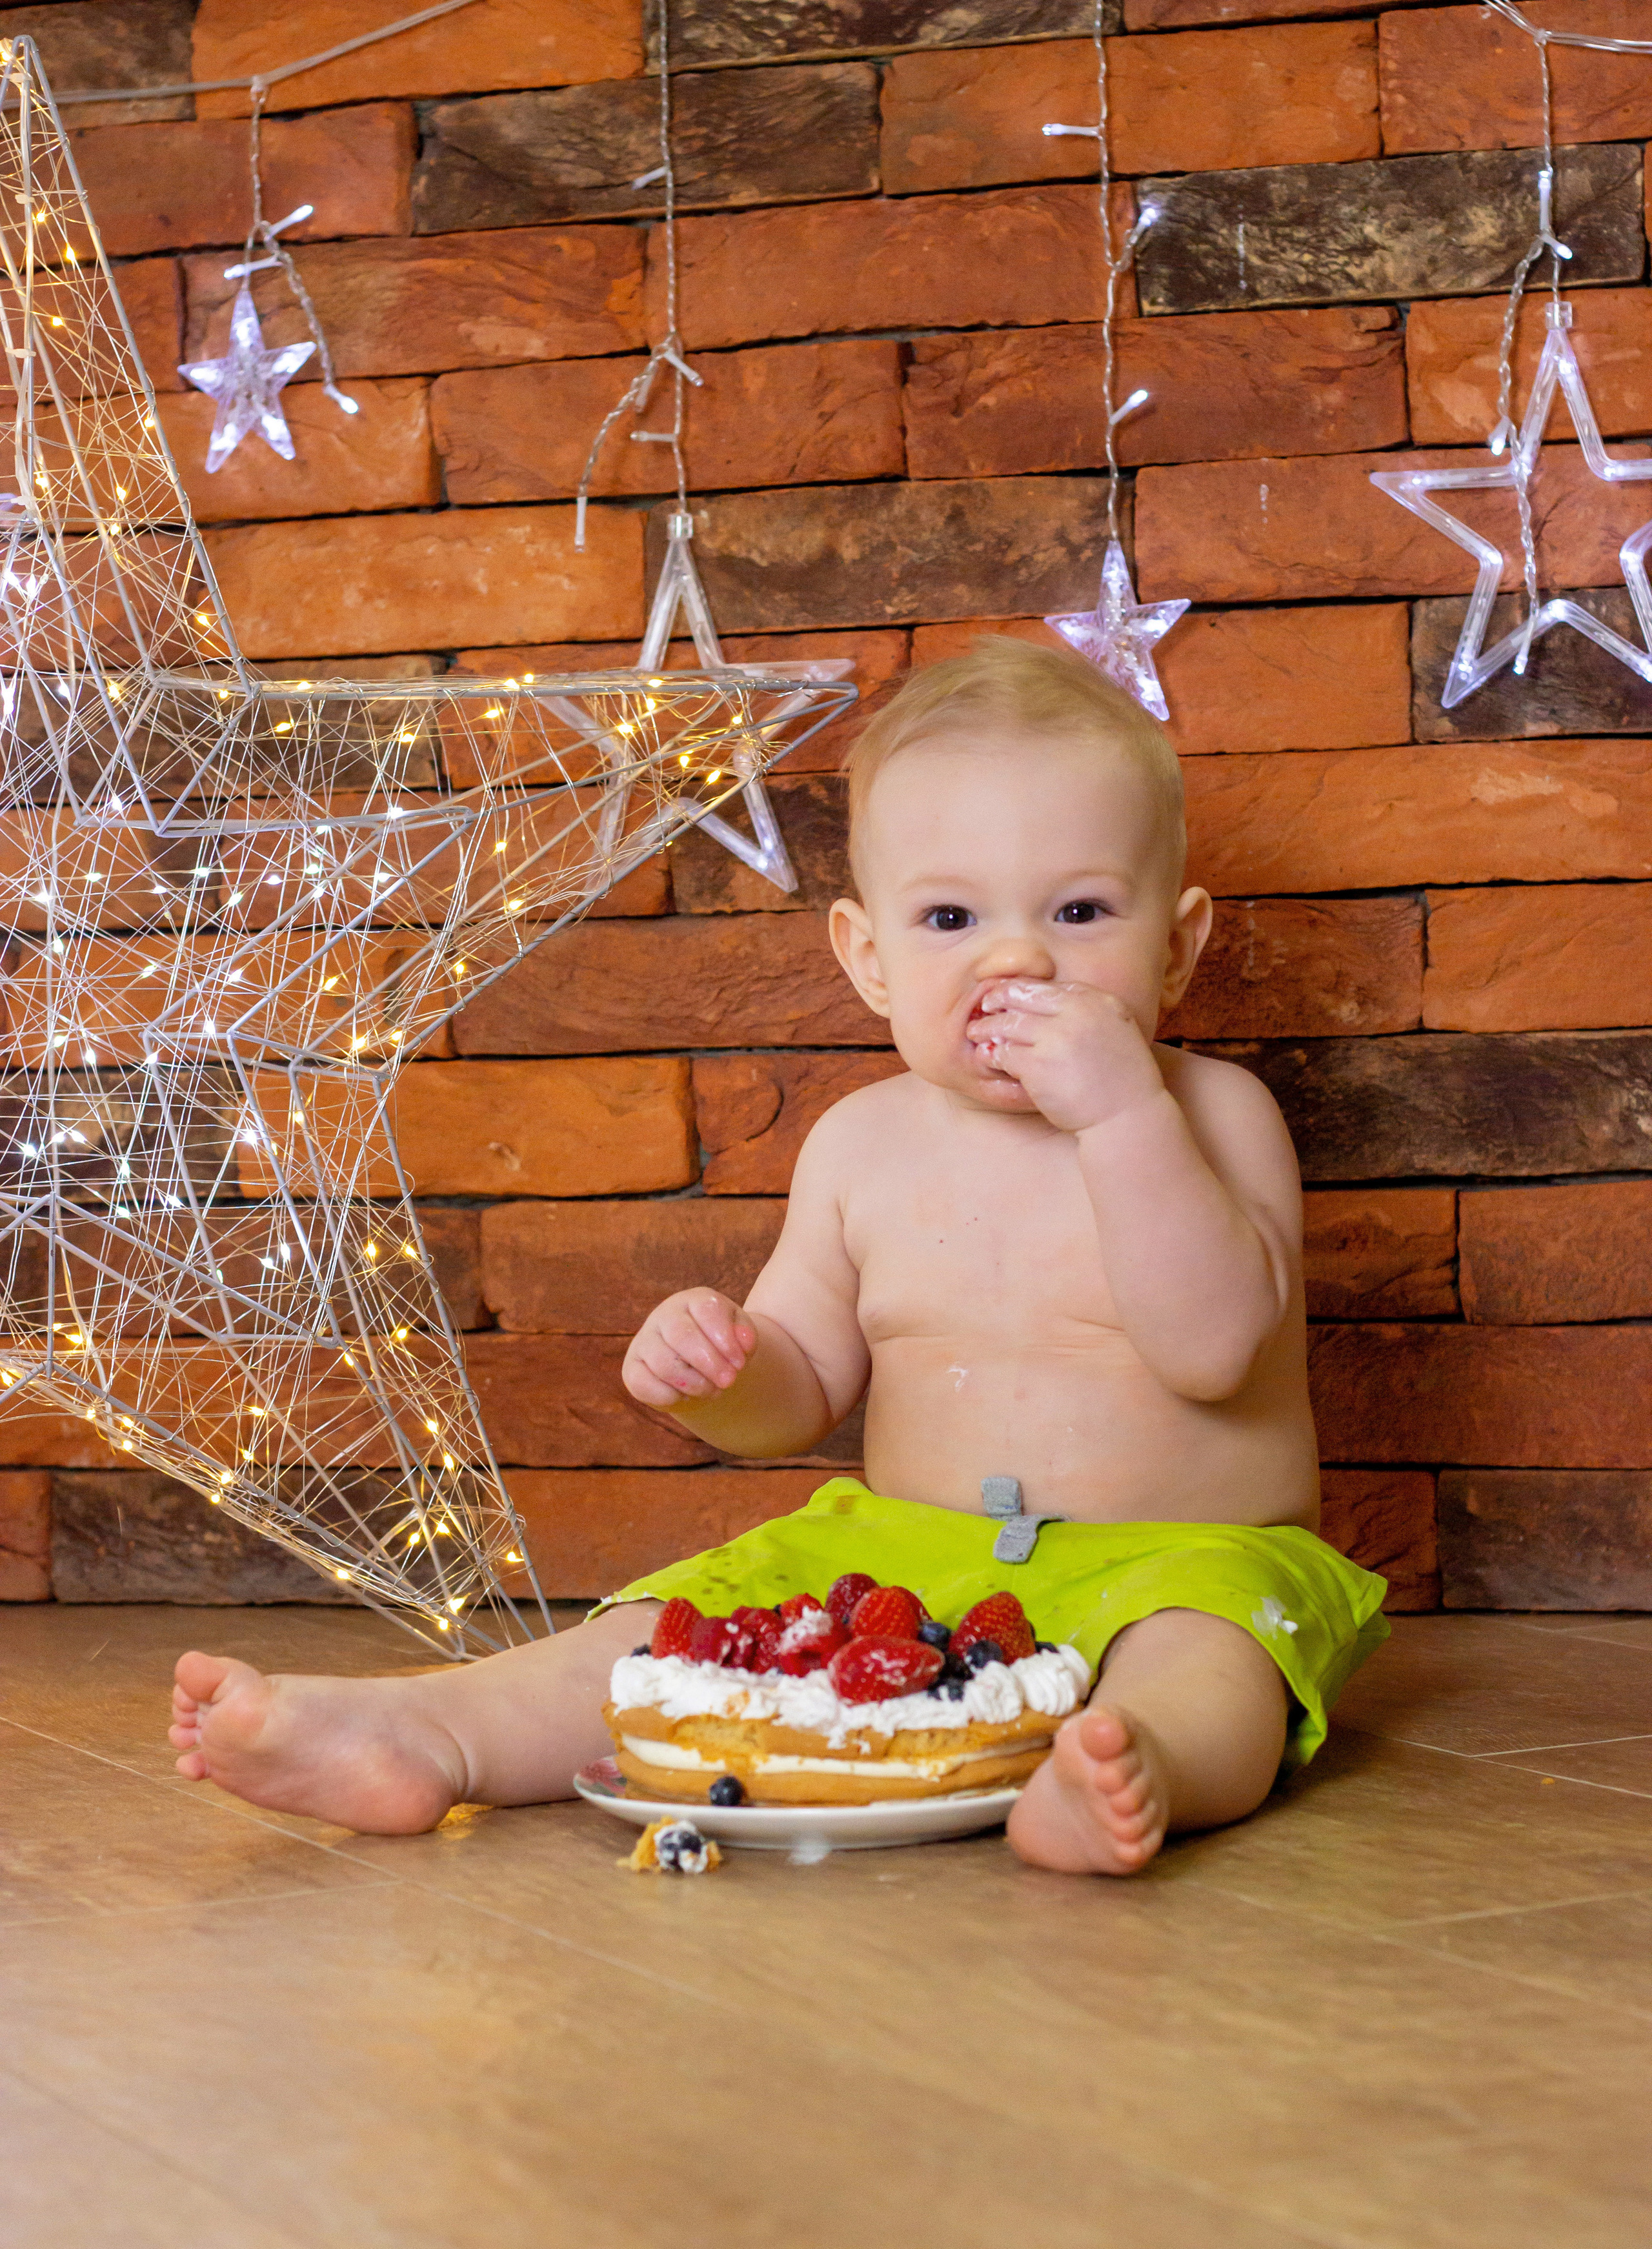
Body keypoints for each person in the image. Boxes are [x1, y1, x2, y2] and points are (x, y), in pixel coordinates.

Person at [170, 637, 1387, 1875]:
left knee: (1214, 1659)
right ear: (869, 958)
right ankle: (433, 1730)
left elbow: (1214, 1351)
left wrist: (1123, 1115)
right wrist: (730, 1370)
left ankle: (1136, 1769)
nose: (1015, 962)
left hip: (1182, 1555)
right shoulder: (859, 1147)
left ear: (1175, 948)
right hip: (910, 1558)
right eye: (951, 917)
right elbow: (800, 1391)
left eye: (1078, 913)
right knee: (683, 1627)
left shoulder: (1213, 1116)